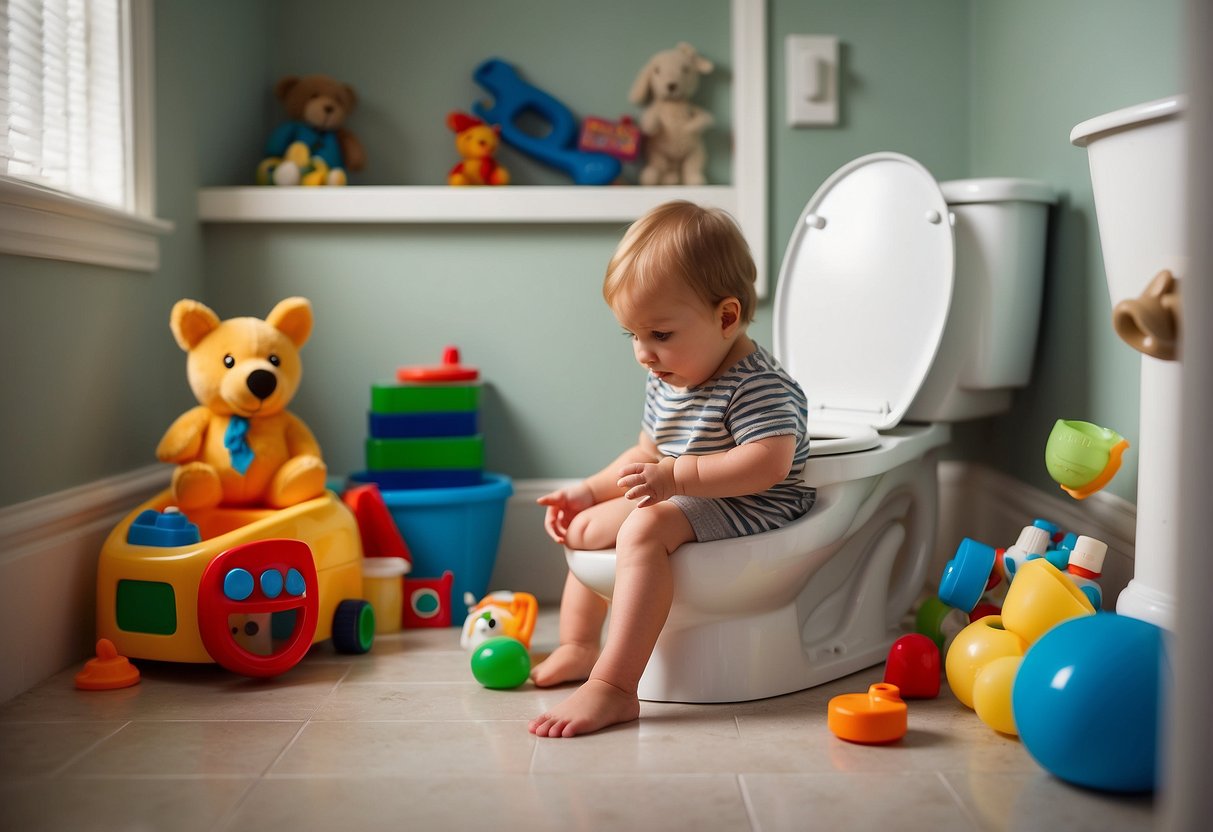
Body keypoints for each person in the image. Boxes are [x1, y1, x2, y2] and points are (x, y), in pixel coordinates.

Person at [528, 200, 815, 738]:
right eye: (632, 335)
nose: (643, 353)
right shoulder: (671, 373)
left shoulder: (758, 385)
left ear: (726, 317)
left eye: (659, 335)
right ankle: (578, 645)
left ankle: (615, 687)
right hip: (691, 492)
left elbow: (767, 464)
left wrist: (676, 477)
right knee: (587, 529)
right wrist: (587, 492)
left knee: (645, 525)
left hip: (756, 502)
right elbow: (645, 452)